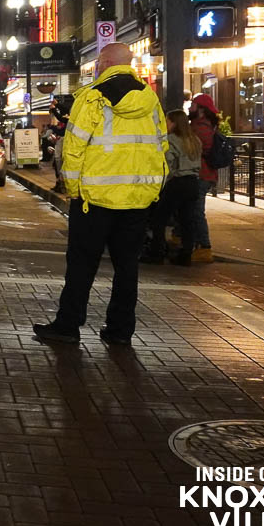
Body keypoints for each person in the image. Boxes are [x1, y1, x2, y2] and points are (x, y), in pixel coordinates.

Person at [33, 42, 167, 346]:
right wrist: (152, 188)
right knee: (127, 267)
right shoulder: (150, 100)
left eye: (97, 62)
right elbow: (162, 146)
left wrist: (74, 190)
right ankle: (120, 331)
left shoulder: (92, 97)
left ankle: (68, 325)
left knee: (81, 265)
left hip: (94, 200)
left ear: (104, 63)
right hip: (137, 199)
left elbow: (75, 148)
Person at [141, 110, 201, 267]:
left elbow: (167, 164)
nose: (165, 124)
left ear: (174, 123)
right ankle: (186, 254)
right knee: (187, 220)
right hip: (193, 182)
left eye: (167, 121)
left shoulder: (171, 140)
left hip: (177, 183)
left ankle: (157, 252)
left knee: (159, 219)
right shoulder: (194, 140)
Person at [188, 93, 219, 262]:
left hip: (202, 174)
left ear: (200, 109)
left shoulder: (201, 127)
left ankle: (204, 246)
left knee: (197, 211)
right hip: (202, 174)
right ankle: (192, 242)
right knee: (192, 209)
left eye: (193, 105)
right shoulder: (201, 125)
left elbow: (201, 150)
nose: (190, 108)